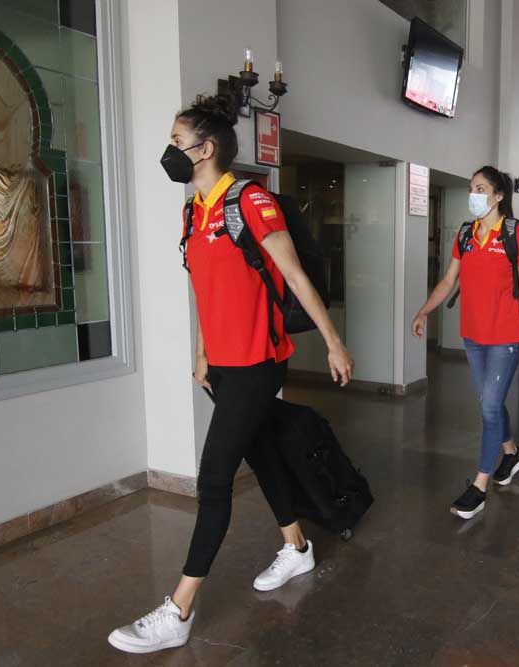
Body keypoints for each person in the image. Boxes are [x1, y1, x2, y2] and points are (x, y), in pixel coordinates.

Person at [108, 96, 355, 654]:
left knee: (214, 479)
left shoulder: (250, 201)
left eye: (177, 141)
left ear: (206, 148)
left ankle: (179, 610)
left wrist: (336, 343)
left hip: (257, 360)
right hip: (222, 361)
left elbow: (293, 276)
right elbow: (205, 288)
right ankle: (296, 546)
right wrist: (202, 351)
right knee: (261, 446)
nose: (170, 151)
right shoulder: (194, 210)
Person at [411, 166, 519, 521]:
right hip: (473, 334)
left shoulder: (518, 236)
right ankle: (511, 452)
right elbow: (448, 280)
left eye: (481, 188)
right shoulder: (466, 234)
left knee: (488, 407)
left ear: (498, 196)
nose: (474, 193)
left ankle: (480, 486)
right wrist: (424, 310)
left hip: (505, 336)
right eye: (472, 187)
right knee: (491, 400)